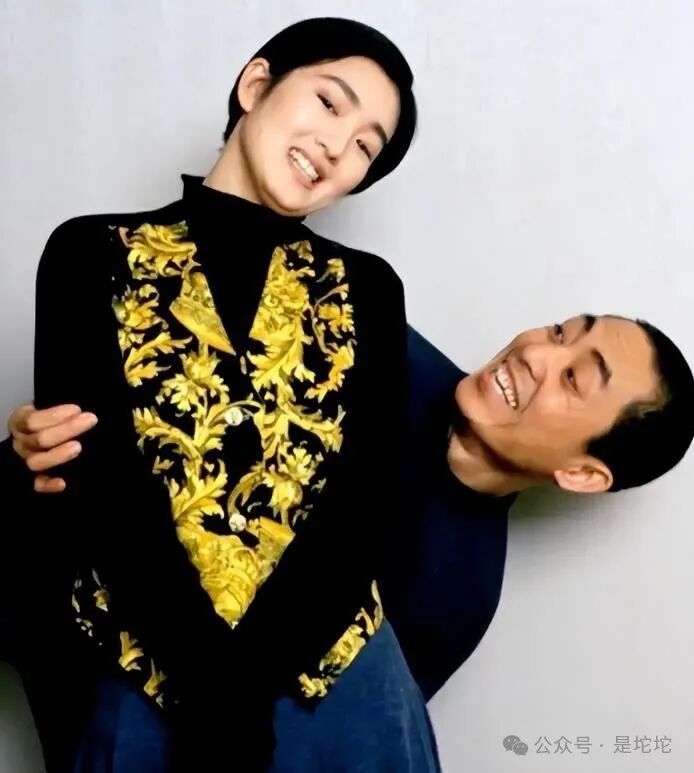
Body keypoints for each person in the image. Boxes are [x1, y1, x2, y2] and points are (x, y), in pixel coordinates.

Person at [0, 16, 426, 773]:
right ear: (256, 84)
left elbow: (362, 511)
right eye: (330, 102)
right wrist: (214, 692)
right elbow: (101, 486)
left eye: (367, 146)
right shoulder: (89, 251)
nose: (338, 145)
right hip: (147, 669)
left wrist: (245, 688)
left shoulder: (368, 289)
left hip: (337, 688)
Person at [6, 312, 694, 771]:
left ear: (582, 473)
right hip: (81, 604)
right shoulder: (365, 342)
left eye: (574, 378)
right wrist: (39, 447)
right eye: (561, 330)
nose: (536, 352)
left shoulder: (463, 591)